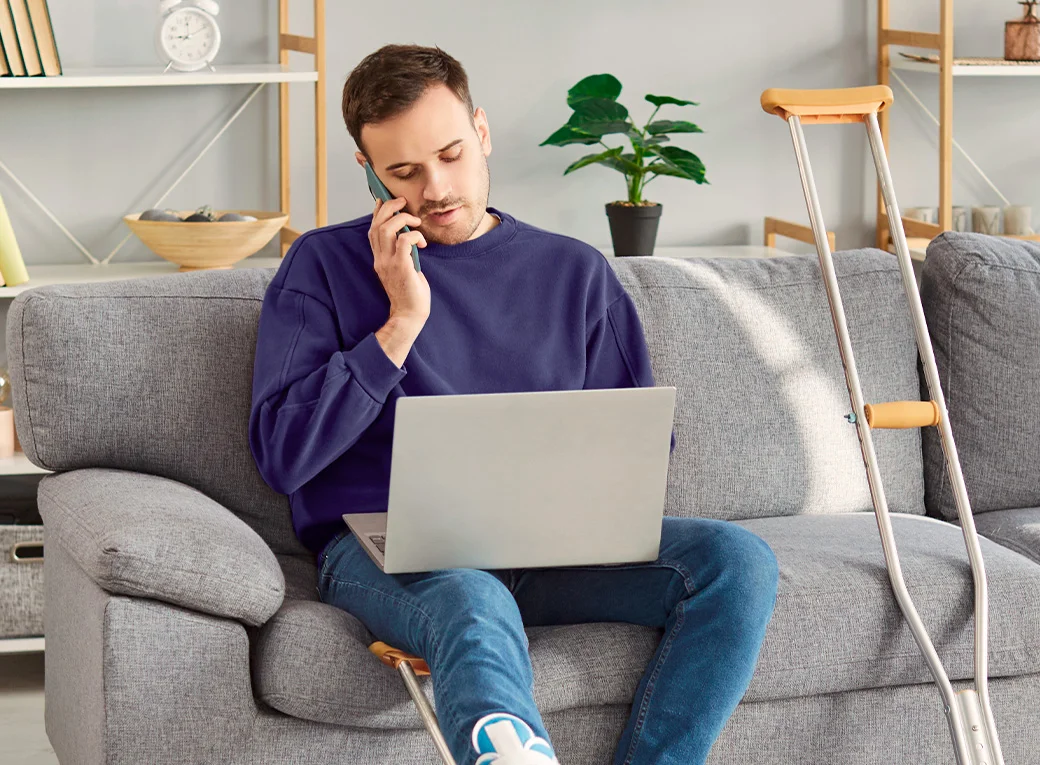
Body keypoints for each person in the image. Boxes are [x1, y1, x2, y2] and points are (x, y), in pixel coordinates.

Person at [249, 43, 779, 765]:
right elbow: (283, 455)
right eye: (404, 172)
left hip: (550, 548)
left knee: (735, 561)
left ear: (483, 131)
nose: (435, 187)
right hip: (391, 552)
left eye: (451, 153)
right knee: (472, 599)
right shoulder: (322, 265)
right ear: (368, 170)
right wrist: (399, 325)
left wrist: (585, 506)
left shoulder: (575, 273)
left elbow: (639, 446)